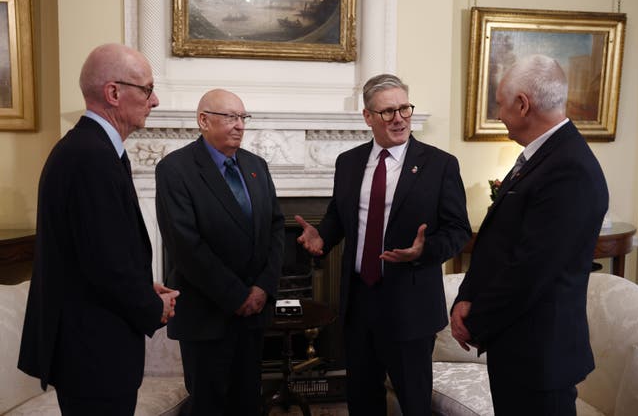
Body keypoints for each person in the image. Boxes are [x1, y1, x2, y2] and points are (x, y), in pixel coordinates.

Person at [18, 43, 179, 416]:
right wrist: (151, 305)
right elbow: (104, 264)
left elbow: (96, 249)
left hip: (92, 347)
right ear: (113, 93)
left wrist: (142, 285)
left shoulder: (91, 149)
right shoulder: (90, 156)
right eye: (146, 89)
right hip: (92, 352)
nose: (154, 100)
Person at [296, 74, 471, 415]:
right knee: (362, 399)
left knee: (413, 402)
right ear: (368, 117)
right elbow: (339, 216)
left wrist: (425, 251)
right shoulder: (348, 163)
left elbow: (458, 230)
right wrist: (322, 236)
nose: (399, 118)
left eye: (404, 108)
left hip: (411, 302)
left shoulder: (440, 165)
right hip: (360, 300)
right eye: (388, 111)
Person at [451, 54, 609, 416]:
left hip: (540, 357)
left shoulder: (570, 169)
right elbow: (499, 242)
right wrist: (465, 297)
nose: (499, 113)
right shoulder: (543, 157)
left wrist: (474, 321)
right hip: (518, 348)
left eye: (501, 104)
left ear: (523, 105)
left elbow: (530, 269)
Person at [155, 89, 285, 415]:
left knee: (247, 404)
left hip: (253, 316)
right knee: (209, 407)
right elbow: (185, 245)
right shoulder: (175, 169)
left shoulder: (257, 166)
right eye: (230, 117)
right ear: (203, 120)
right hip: (207, 316)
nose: (240, 125)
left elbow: (276, 228)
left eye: (243, 117)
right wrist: (237, 295)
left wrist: (262, 288)